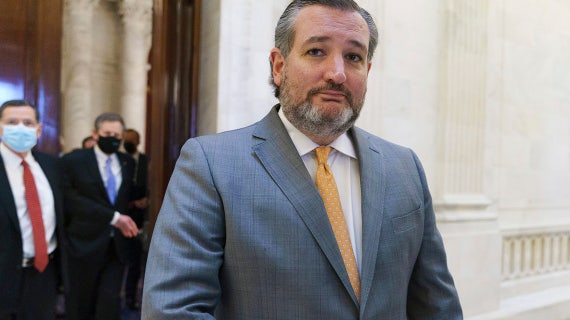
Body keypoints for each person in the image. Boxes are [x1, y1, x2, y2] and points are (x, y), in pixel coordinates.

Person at [143, 0, 463, 319]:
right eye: (316, 52)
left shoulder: (404, 167)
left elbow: (438, 306)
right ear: (279, 66)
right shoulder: (211, 165)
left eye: (353, 57)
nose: (337, 74)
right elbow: (172, 311)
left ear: (366, 71)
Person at [62, 113, 139, 320]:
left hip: (117, 247)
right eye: (107, 133)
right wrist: (113, 217)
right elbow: (71, 199)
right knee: (81, 305)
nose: (112, 138)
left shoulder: (127, 162)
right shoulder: (74, 160)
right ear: (95, 134)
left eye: (117, 135)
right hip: (83, 244)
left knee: (109, 303)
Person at [0, 99, 67, 319]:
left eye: (28, 122)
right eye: (12, 121)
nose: (20, 127)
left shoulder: (51, 165)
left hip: (43, 275)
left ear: (38, 130)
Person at [122, 128, 149, 310]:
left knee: (135, 261)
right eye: (126, 139)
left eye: (131, 140)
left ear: (138, 141)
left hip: (140, 218)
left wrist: (148, 200)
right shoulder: (119, 160)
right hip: (121, 215)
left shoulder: (147, 161)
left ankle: (131, 298)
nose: (128, 142)